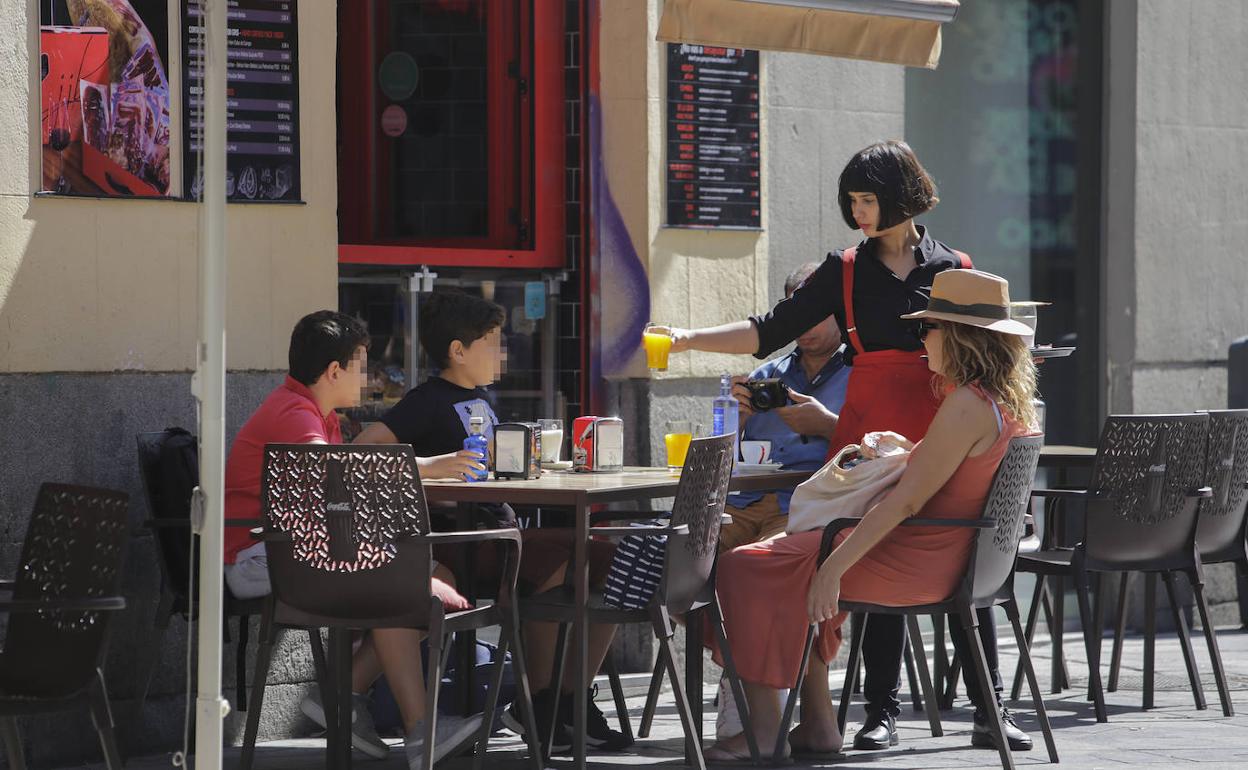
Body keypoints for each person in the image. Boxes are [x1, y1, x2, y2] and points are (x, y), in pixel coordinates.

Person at [658, 139, 1028, 753]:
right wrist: (688, 337)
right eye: (851, 201)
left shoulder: (954, 266)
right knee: (868, 541)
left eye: (868, 199)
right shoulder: (845, 268)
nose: (858, 212)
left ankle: (990, 705)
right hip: (870, 428)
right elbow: (767, 329)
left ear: (900, 197)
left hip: (940, 420)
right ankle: (877, 710)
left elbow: (983, 344)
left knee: (948, 539)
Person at [703, 269, 1040, 760]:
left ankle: (764, 729)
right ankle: (818, 725)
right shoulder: (1001, 403)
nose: (921, 340)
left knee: (745, 566)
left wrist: (831, 570)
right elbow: (946, 474)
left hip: (913, 557)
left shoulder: (966, 404)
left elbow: (904, 503)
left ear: (962, 338)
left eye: (930, 328)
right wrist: (910, 449)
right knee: (780, 564)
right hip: (946, 555)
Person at [354, 289, 630, 755]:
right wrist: (430, 465)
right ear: (458, 351)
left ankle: (570, 698)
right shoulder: (427, 399)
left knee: (607, 558)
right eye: (493, 341)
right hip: (460, 538)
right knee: (557, 562)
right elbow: (363, 449)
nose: (503, 352)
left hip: (499, 530)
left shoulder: (481, 398)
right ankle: (538, 702)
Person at [223, 310, 481, 769]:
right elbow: (342, 477)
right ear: (334, 371)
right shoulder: (294, 412)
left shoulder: (319, 415)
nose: (371, 377)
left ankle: (343, 697)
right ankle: (420, 729)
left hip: (285, 548)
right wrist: (426, 466)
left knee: (436, 574)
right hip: (256, 557)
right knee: (398, 582)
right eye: (364, 365)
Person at [719, 261, 851, 553]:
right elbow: (719, 461)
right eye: (793, 315)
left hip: (806, 507)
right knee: (675, 548)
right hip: (742, 504)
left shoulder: (860, 375)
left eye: (812, 314)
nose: (801, 324)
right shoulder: (765, 376)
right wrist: (732, 419)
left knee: (757, 561)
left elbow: (881, 451)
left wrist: (828, 425)